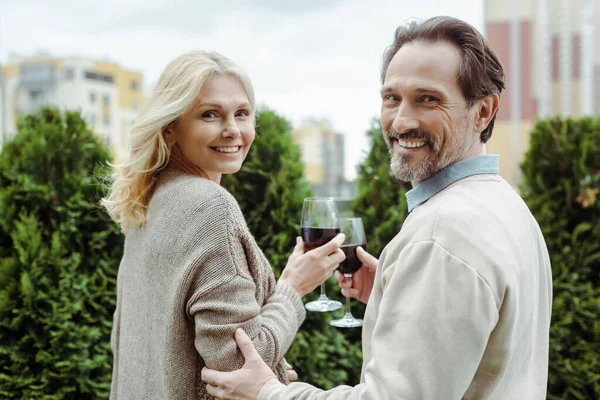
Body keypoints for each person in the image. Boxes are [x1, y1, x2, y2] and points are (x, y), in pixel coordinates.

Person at [201, 16, 553, 400]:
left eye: (428, 99)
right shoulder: (507, 204)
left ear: (483, 112)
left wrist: (268, 392)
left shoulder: (442, 234)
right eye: (391, 98)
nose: (401, 121)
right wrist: (394, 296)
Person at [101, 50, 346, 399]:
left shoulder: (149, 201)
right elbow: (238, 364)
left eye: (242, 114)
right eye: (210, 114)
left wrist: (277, 375)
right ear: (170, 128)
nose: (232, 130)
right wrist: (293, 287)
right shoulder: (210, 207)